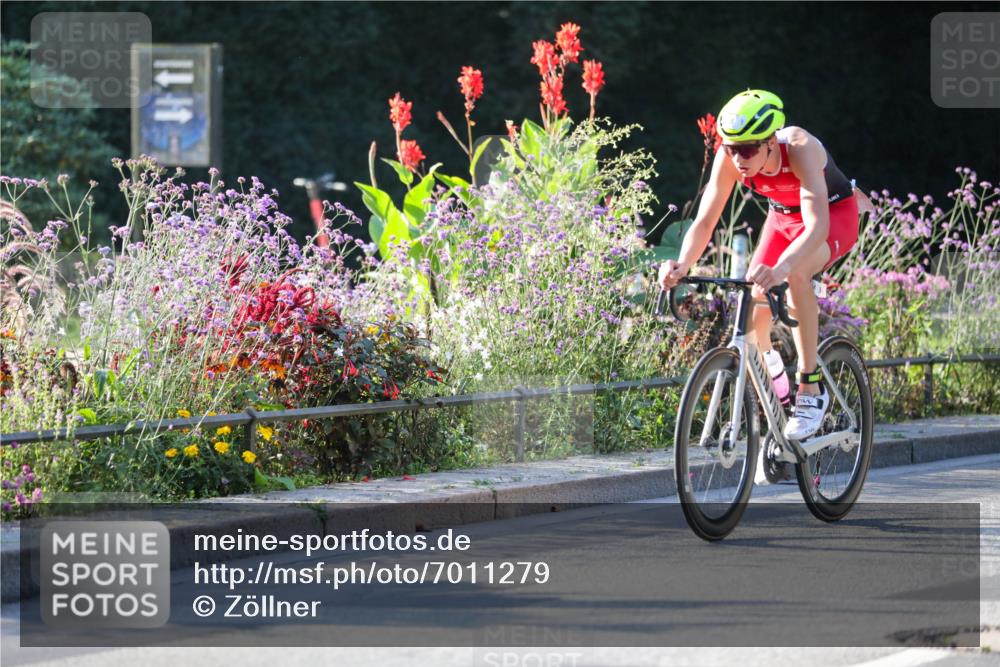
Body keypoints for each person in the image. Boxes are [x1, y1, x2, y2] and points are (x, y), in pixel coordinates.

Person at [659, 89, 871, 440]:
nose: (738, 157)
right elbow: (705, 220)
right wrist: (682, 264)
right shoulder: (729, 158)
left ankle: (809, 387)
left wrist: (783, 268)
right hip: (783, 219)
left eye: (747, 149)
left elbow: (817, 227)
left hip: (832, 217)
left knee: (798, 274)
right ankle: (778, 393)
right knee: (752, 308)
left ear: (771, 140)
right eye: (730, 147)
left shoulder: (801, 148)